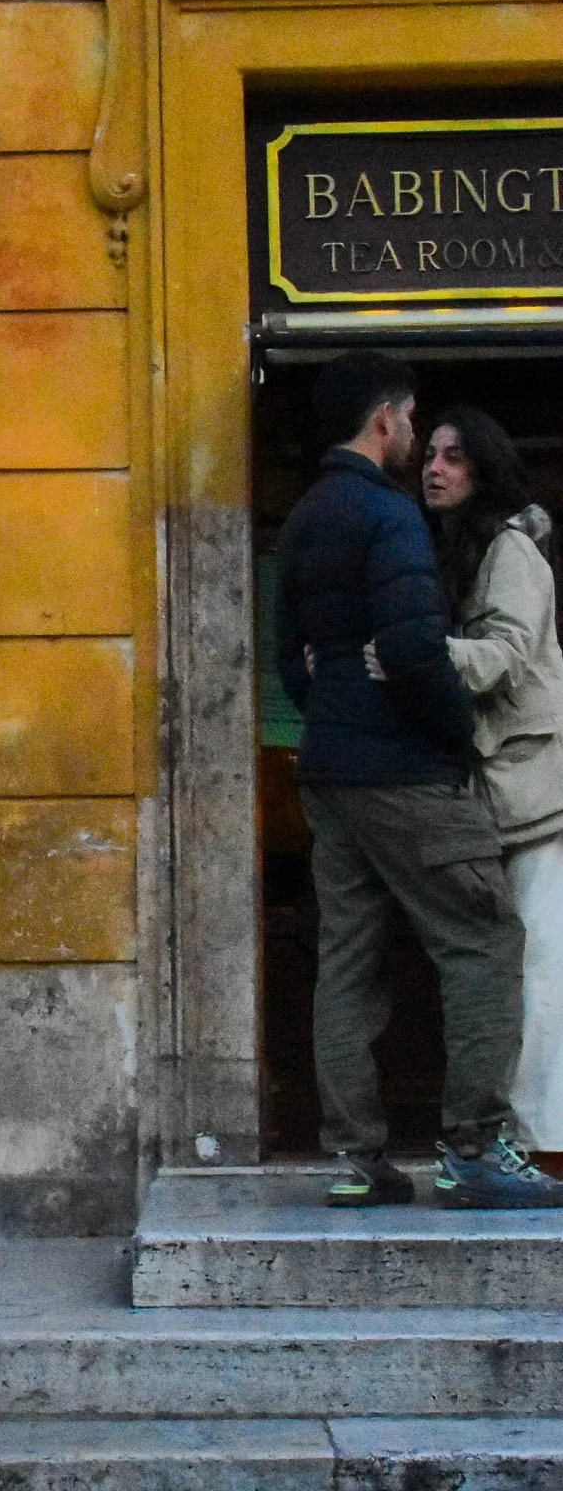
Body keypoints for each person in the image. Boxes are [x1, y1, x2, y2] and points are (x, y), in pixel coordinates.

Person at [276, 350, 563, 1209]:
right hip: (405, 773)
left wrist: (334, 716)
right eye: (415, 431)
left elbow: (291, 660)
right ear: (385, 420)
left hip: (331, 772)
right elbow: (409, 655)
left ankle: (358, 1160)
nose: (425, 455)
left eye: (452, 454)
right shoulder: (390, 519)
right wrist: (444, 742)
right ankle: (474, 1149)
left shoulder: (301, 521)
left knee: (348, 964)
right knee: (484, 946)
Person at [418, 406, 563, 1156]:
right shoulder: (468, 548)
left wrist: (416, 652)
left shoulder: (510, 550)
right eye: (431, 454)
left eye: (454, 457)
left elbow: (503, 652)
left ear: (485, 468)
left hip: (536, 792)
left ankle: (542, 1140)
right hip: (510, 787)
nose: (434, 468)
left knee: (538, 969)